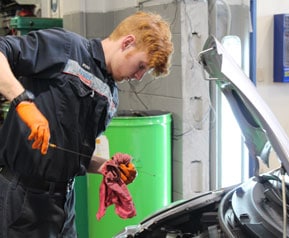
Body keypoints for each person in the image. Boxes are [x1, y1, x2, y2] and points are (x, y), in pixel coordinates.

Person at [0, 11, 173, 237]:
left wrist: (104, 166)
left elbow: (70, 152)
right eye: (141, 66)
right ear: (127, 43)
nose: (139, 77)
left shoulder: (111, 97)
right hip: (21, 199)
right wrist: (22, 101)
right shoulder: (66, 48)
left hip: (64, 204)